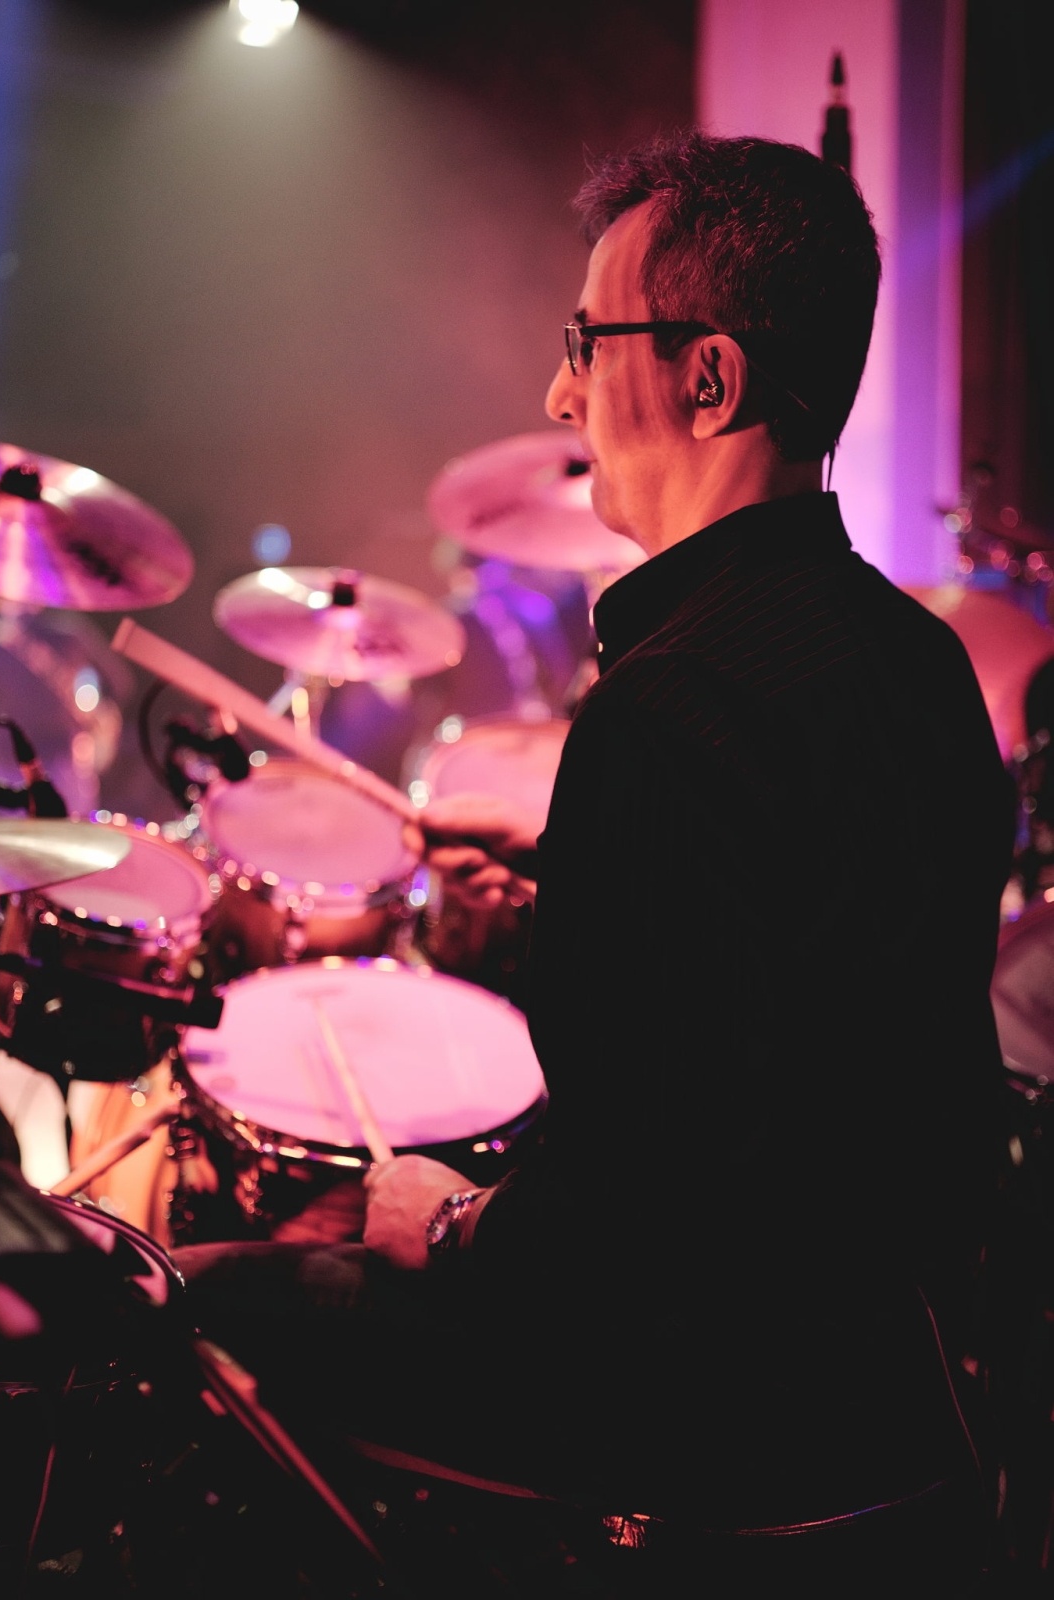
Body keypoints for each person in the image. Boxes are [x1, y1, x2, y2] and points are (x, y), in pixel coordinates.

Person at [178, 132, 1015, 1590]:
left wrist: (452, 1227)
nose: (560, 395)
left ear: (709, 379)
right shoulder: (922, 664)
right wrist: (570, 891)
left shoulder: (667, 707)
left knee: (174, 1309)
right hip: (902, 1401)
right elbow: (810, 1002)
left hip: (712, 1429)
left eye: (585, 342)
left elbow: (651, 1210)